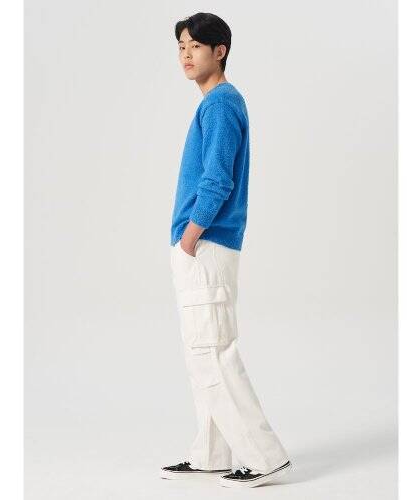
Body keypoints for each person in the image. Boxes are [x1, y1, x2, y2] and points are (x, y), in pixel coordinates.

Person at [161, 12, 293, 488]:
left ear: (220, 51)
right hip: (203, 246)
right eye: (181, 46)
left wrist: (190, 236)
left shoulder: (220, 104)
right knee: (203, 352)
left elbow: (218, 179)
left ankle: (263, 455)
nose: (185, 55)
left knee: (213, 351)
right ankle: (212, 452)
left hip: (206, 244)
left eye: (195, 46)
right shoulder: (217, 104)